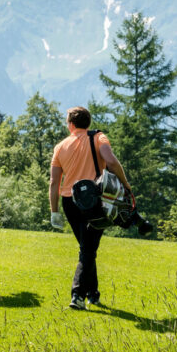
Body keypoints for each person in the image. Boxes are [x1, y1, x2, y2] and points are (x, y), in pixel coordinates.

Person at [49, 106, 132, 310]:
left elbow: (54, 182)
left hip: (70, 201)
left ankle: (92, 294)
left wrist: (54, 211)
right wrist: (126, 185)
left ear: (70, 124)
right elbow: (111, 161)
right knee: (88, 248)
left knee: (87, 247)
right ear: (88, 123)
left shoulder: (60, 147)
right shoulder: (98, 138)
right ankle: (77, 295)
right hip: (95, 200)